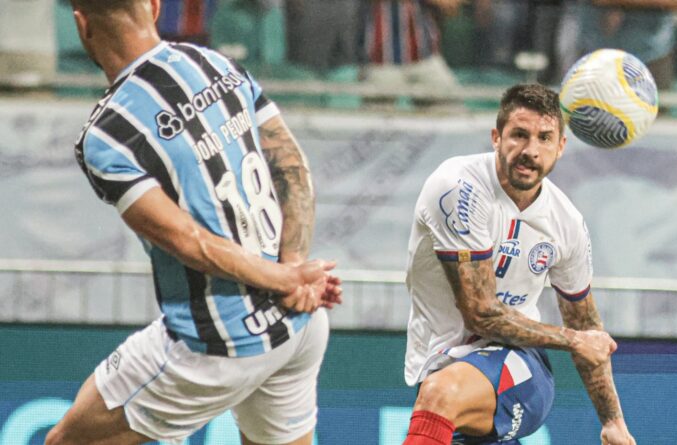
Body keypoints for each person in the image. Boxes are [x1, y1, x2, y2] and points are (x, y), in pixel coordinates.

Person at [46, 1, 342, 444]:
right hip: (298, 323)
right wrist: (294, 268)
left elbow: (187, 241)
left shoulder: (107, 133)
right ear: (153, 6)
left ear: (81, 25)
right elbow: (292, 165)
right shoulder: (214, 62)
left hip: (216, 344)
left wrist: (286, 275)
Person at [402, 84, 635, 445]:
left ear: (561, 147)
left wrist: (613, 422)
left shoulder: (566, 223)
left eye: (545, 138)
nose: (531, 151)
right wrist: (574, 340)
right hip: (442, 359)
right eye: (519, 135)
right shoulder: (458, 188)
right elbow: (480, 313)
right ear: (496, 137)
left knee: (440, 394)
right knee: (440, 390)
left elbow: (586, 324)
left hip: (520, 367)